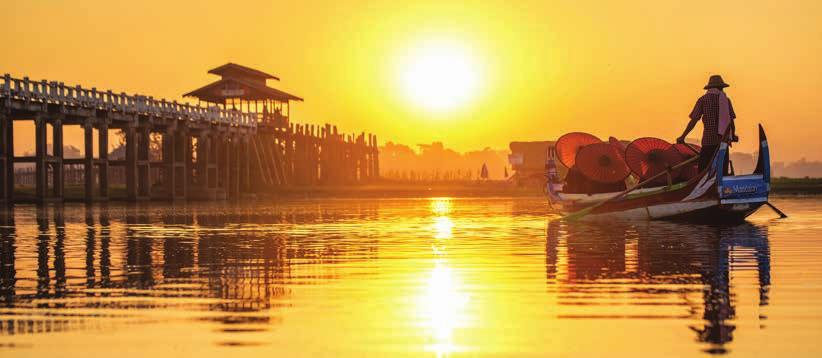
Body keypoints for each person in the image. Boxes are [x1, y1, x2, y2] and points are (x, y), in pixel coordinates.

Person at [677, 75, 738, 173]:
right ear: (721, 87)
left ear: (709, 88)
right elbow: (731, 121)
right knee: (722, 171)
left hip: (708, 141)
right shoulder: (726, 100)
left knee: (703, 170)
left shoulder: (703, 100)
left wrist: (683, 136)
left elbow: (694, 120)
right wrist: (733, 135)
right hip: (723, 142)